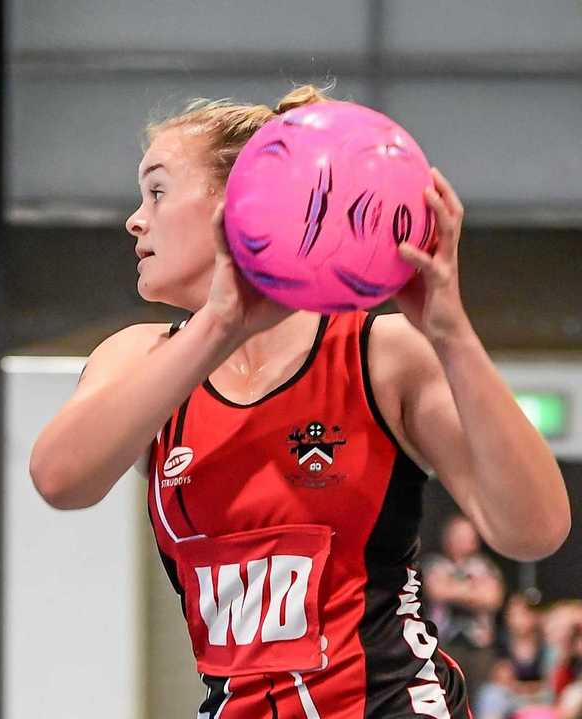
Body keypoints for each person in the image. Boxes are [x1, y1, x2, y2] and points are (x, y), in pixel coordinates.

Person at [29, 84, 569, 718]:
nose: (134, 219)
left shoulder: (378, 352)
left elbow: (534, 531)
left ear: (240, 204)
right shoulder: (138, 357)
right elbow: (60, 480)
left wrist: (450, 333)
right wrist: (223, 322)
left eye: (156, 190)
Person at [425, 514, 507, 693]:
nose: (465, 541)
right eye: (459, 536)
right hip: (443, 643)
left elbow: (492, 599)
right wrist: (474, 590)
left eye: (468, 536)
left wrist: (452, 588)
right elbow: (437, 591)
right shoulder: (435, 564)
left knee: (481, 695)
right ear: (448, 538)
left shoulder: (486, 566)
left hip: (479, 646)